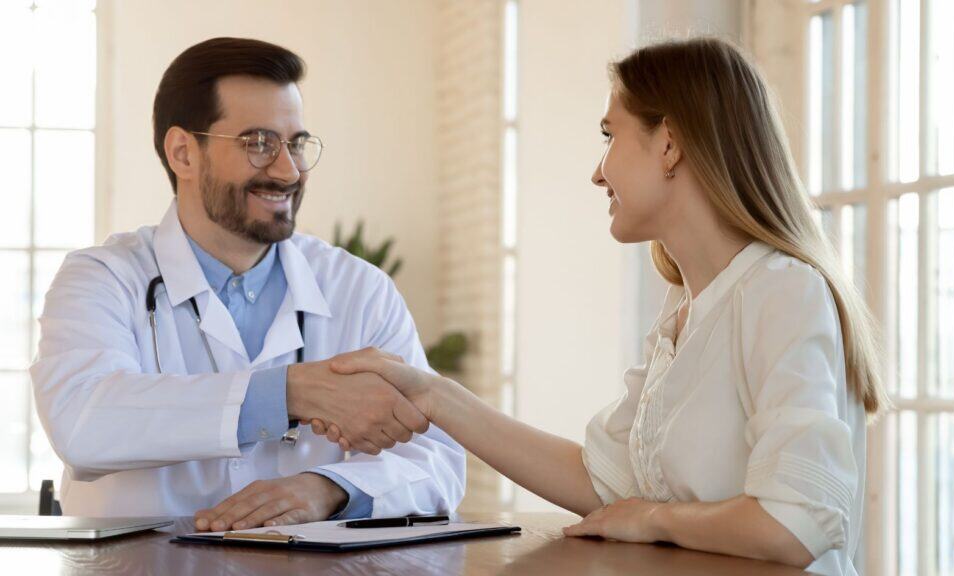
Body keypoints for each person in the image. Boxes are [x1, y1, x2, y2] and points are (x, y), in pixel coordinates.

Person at [315, 38, 885, 576]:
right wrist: (431, 393)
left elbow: (795, 523)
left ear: (670, 143)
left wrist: (653, 520)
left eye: (609, 135)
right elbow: (603, 481)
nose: (597, 171)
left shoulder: (782, 290)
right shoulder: (687, 307)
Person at [30, 37, 464, 530]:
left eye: (296, 143)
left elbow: (437, 462)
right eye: (258, 143)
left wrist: (330, 488)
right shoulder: (103, 278)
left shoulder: (358, 289)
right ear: (183, 153)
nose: (288, 169)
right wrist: (289, 394)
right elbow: (83, 422)